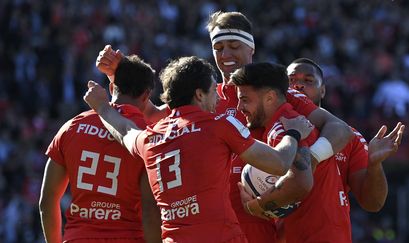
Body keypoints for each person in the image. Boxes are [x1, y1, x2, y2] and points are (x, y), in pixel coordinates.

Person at [95, 11, 354, 242]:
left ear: (251, 49)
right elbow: (149, 115)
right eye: (218, 48)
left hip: (258, 221)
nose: (226, 55)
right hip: (211, 223)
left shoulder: (274, 92)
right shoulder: (205, 97)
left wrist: (313, 159)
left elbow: (340, 129)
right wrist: (118, 77)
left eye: (234, 46)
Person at [83, 56, 314, 243]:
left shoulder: (149, 138)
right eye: (214, 90)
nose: (218, 98)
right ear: (199, 94)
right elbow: (280, 162)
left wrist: (102, 106)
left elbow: (124, 131)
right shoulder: (219, 126)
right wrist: (293, 133)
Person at [276, 57, 405, 242]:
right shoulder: (267, 128)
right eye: (292, 80)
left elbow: (373, 203)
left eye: (308, 81)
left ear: (323, 90)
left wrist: (375, 165)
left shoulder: (351, 138)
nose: (299, 86)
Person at [39, 55, 162, 243]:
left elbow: (47, 202)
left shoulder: (72, 127)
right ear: (146, 95)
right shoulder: (147, 137)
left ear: (112, 88)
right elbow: (150, 211)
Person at [230, 62, 318, 215]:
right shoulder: (286, 122)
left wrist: (255, 207)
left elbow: (301, 184)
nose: (239, 107)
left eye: (244, 99)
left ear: (270, 98)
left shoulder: (283, 129)